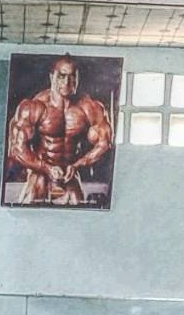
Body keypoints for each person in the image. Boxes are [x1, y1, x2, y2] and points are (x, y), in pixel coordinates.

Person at [7, 54, 113, 205]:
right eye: (62, 76)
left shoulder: (90, 108)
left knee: (79, 209)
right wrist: (46, 168)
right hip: (40, 172)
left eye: (72, 76)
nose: (67, 82)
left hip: (70, 172)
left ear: (78, 78)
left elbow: (105, 144)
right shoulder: (34, 107)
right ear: (52, 77)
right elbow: (16, 149)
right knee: (33, 197)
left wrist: (78, 165)